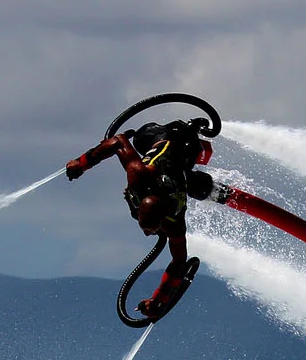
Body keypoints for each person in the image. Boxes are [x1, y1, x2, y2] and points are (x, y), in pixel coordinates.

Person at [64, 120, 215, 320]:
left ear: (163, 219)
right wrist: (81, 163)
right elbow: (118, 141)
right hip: (155, 138)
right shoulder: (139, 175)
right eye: (145, 227)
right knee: (139, 137)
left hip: (183, 153)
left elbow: (180, 260)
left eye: (150, 229)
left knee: (201, 185)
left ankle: (208, 184)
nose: (146, 233)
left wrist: (158, 300)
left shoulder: (175, 219)